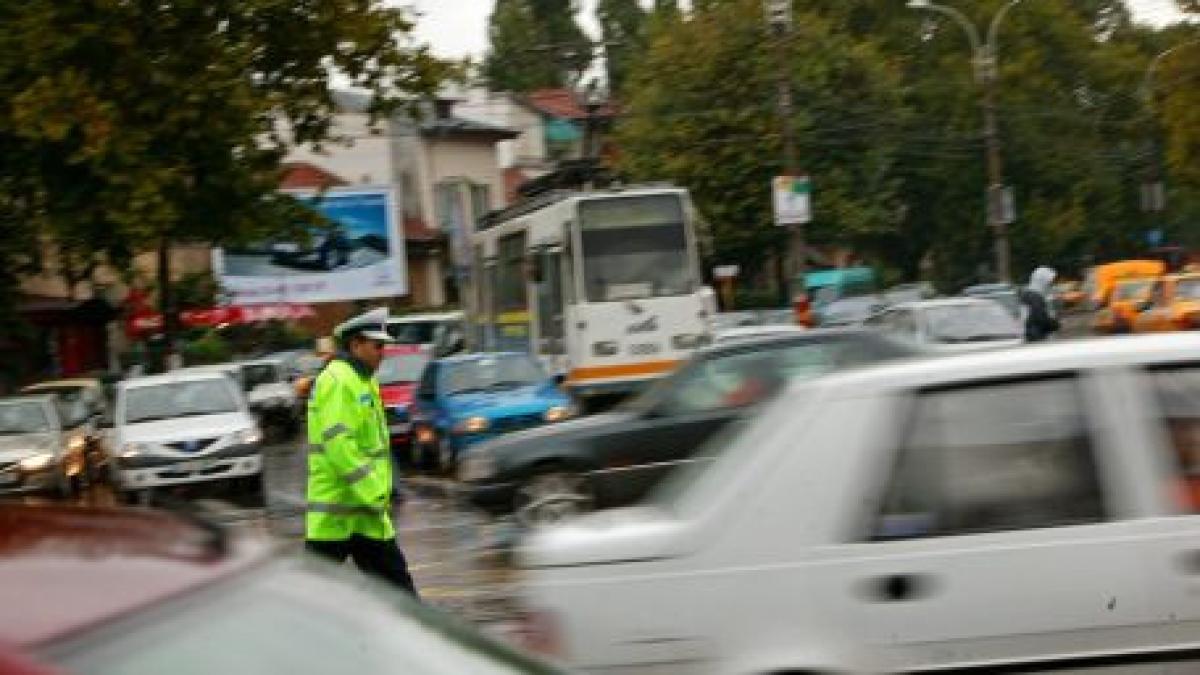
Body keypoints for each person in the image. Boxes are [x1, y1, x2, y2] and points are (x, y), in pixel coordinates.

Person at [304, 308, 418, 596]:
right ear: (356, 344)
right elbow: (339, 445)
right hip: (338, 513)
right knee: (308, 605)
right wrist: (376, 492)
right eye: (377, 346)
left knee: (402, 598)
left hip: (364, 516)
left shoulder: (362, 379)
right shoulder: (339, 381)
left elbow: (372, 447)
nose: (383, 352)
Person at [1018, 266, 1060, 342]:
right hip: (1036, 338)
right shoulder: (1034, 296)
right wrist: (1054, 324)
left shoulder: (1031, 294)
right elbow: (1040, 317)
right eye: (1050, 281)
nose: (1051, 284)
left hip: (1034, 336)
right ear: (1042, 280)